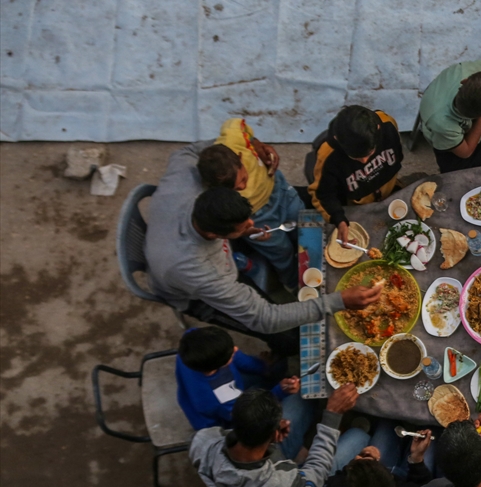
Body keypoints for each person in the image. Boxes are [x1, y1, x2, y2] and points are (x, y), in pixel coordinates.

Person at [145, 186, 380, 356]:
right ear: (214, 236)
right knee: (286, 336)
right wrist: (338, 301)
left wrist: (243, 231)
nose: (253, 225)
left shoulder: (186, 182)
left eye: (249, 220)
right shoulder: (201, 273)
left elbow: (192, 151)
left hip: (185, 245)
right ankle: (282, 358)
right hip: (192, 293)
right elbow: (265, 319)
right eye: (244, 226)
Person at [189, 384, 361, 487]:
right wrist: (332, 416)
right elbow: (318, 471)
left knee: (298, 400)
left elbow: (235, 440)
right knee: (358, 437)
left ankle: (295, 458)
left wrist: (265, 438)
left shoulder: (203, 441)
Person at [196, 119, 304, 284]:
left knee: (304, 224)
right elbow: (231, 226)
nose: (242, 186)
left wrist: (256, 143)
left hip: (281, 192)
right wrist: (248, 231)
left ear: (240, 157)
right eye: (236, 189)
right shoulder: (214, 199)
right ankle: (292, 283)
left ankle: (308, 255)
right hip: (259, 218)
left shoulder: (233, 137)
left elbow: (237, 124)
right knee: (282, 252)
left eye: (243, 178)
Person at [174, 326, 312, 440]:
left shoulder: (193, 339)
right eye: (230, 354)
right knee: (301, 399)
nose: (235, 349)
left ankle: (271, 378)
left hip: (224, 391)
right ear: (218, 366)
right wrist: (280, 391)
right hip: (229, 418)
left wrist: (264, 367)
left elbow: (237, 356)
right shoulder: (222, 396)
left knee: (276, 366)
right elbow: (251, 412)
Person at [309, 106, 405, 248]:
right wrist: (339, 219)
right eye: (356, 157)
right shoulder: (328, 155)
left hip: (391, 189)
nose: (365, 162)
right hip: (359, 205)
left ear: (378, 128)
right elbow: (322, 195)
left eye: (370, 153)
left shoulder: (387, 124)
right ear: (337, 139)